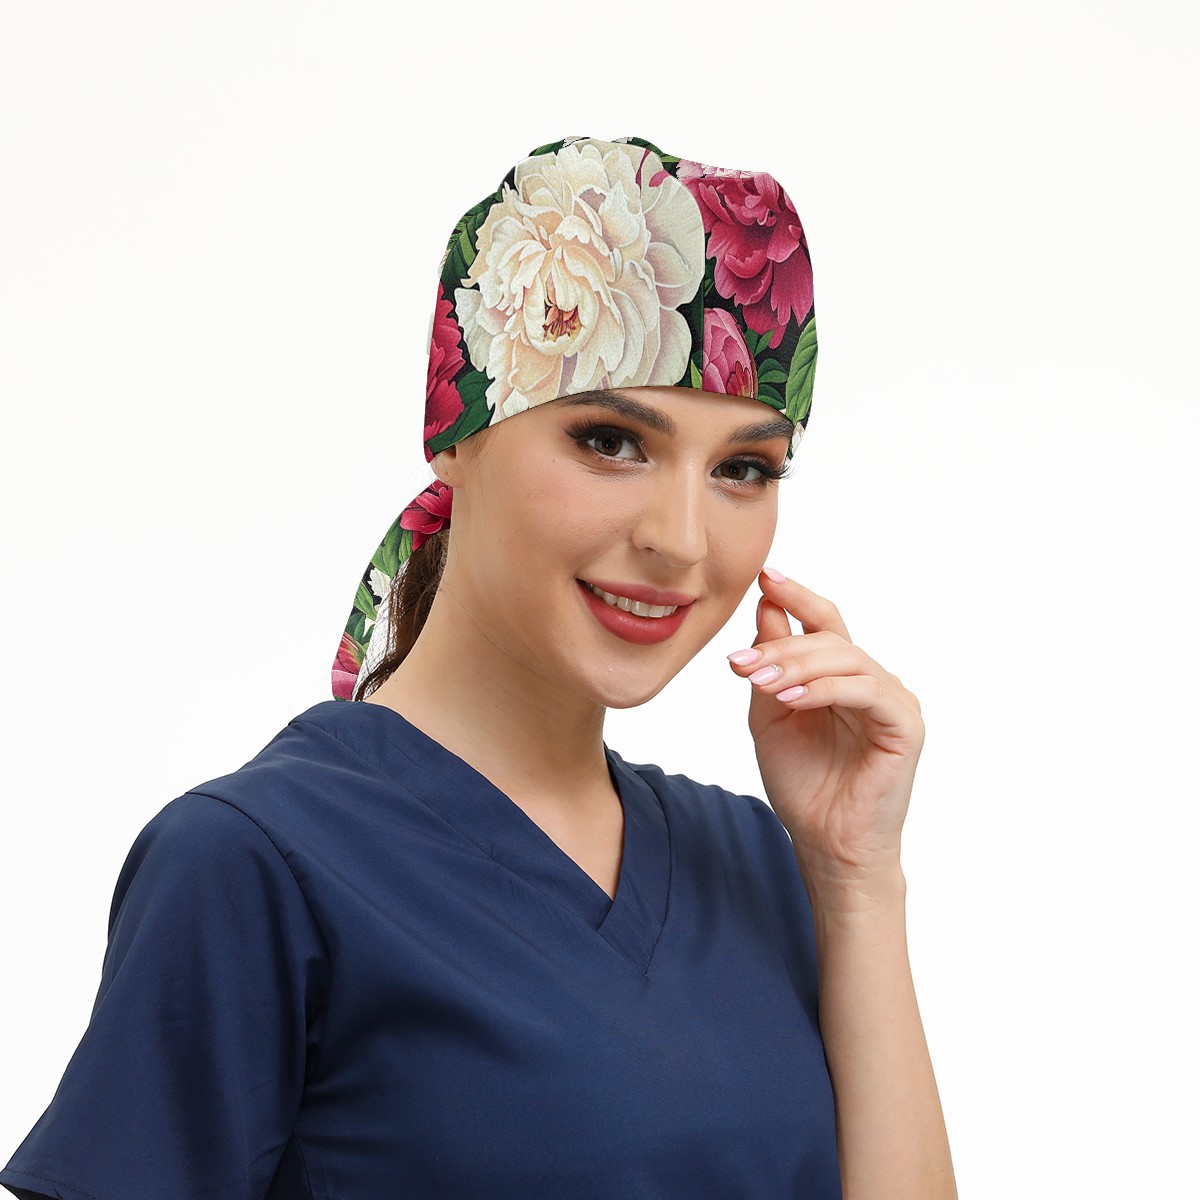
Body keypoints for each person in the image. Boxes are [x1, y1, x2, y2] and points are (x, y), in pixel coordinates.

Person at [1, 135, 957, 1199]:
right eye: (611, 442)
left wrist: (856, 878)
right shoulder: (253, 865)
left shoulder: (751, 859)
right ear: (456, 430)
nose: (682, 540)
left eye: (743, 468)